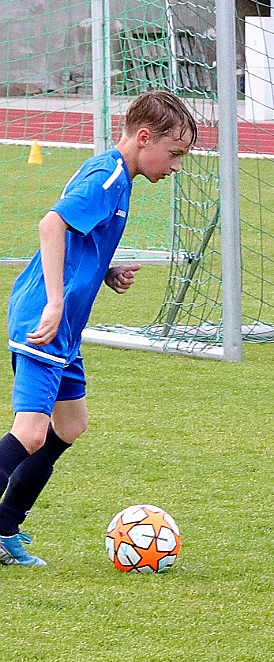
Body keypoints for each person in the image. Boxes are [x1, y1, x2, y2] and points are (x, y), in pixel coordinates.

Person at [0, 91, 197, 566]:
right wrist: (53, 301)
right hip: (45, 320)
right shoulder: (107, 177)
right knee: (29, 432)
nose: (174, 167)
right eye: (174, 155)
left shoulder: (119, 179)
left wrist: (105, 271)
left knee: (69, 425)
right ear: (144, 137)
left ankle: (5, 527)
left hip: (63, 325)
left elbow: (80, 238)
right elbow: (52, 225)